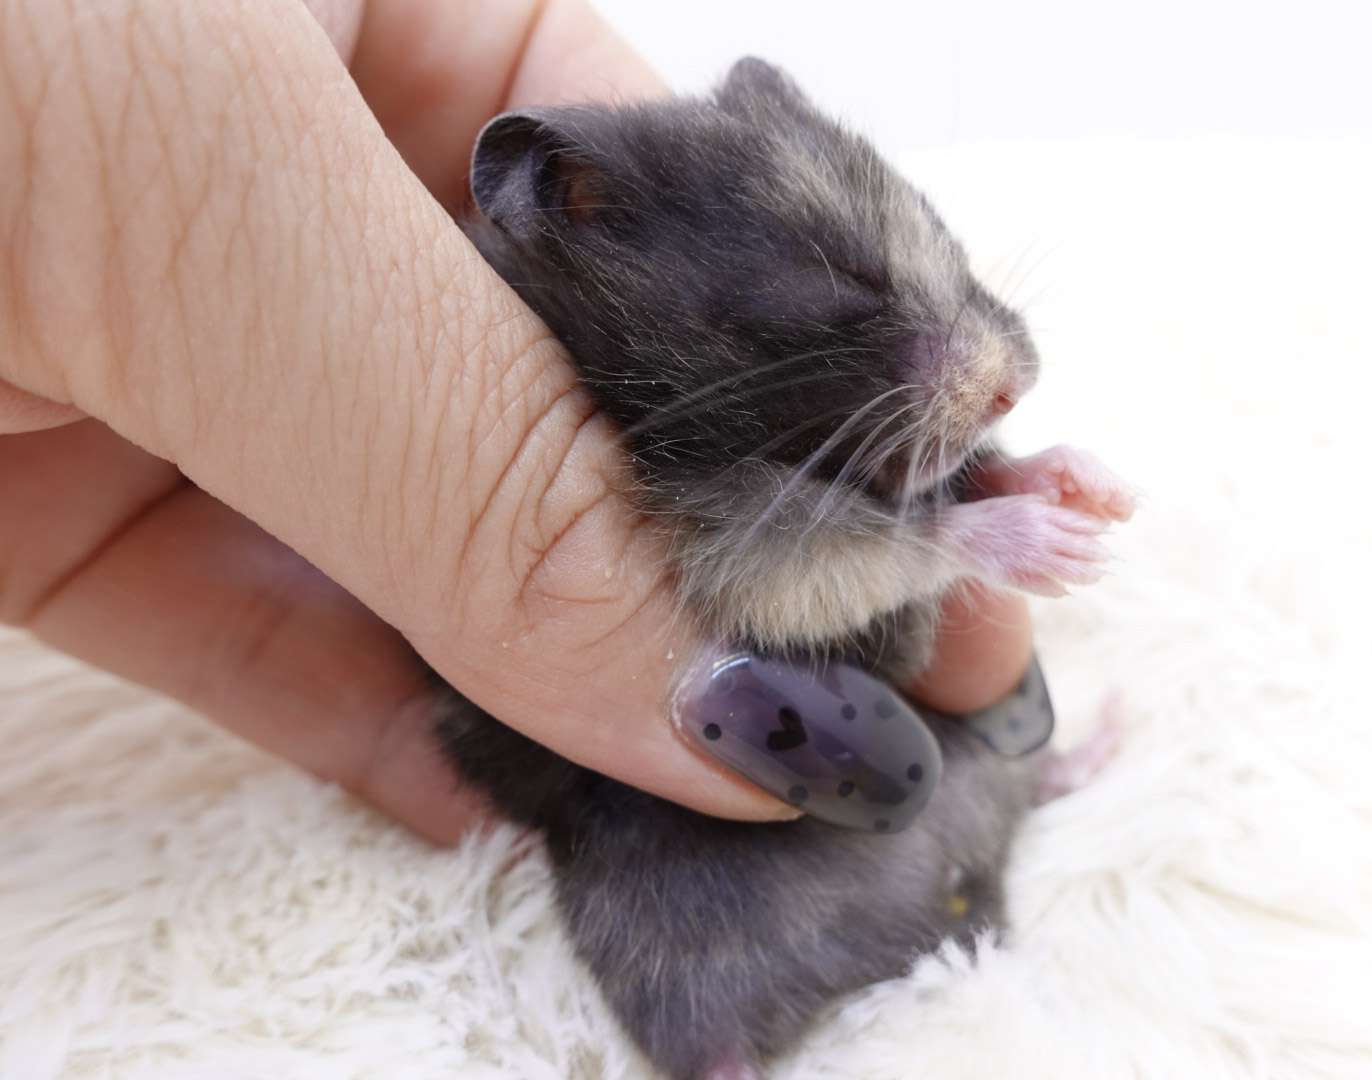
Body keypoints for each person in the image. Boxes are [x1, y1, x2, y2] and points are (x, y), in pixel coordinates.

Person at [0, 0, 1035, 844]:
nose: (1002, 377)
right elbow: (759, 573)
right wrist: (951, 538)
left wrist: (981, 507)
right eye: (852, 289)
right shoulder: (612, 381)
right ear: (576, 207)